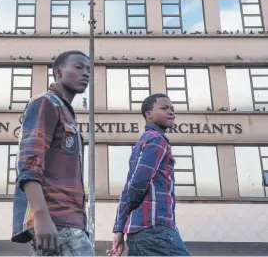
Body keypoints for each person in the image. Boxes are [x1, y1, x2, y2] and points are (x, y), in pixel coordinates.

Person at [11, 50, 94, 256]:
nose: (86, 73)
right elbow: (29, 162)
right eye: (78, 67)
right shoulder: (45, 102)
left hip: (70, 221)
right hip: (57, 221)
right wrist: (41, 216)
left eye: (88, 70)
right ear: (58, 71)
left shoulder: (67, 113)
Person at [107, 93, 191, 256]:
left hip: (139, 232)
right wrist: (124, 223)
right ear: (149, 114)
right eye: (164, 108)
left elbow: (127, 189)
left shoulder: (142, 142)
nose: (171, 112)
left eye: (172, 109)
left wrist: (120, 229)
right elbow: (137, 184)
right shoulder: (156, 140)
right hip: (155, 230)